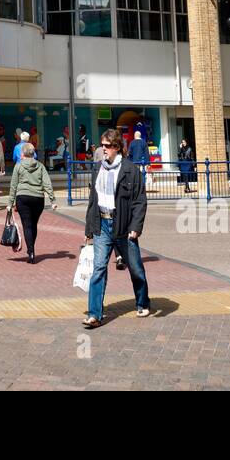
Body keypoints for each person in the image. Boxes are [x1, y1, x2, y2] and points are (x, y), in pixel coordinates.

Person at [83, 129, 151, 328]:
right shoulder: (97, 169)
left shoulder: (130, 170)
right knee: (98, 269)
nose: (102, 149)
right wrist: (89, 228)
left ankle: (142, 302)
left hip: (123, 226)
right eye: (102, 145)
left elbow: (140, 201)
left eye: (106, 146)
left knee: (136, 268)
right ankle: (95, 314)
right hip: (102, 225)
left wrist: (136, 227)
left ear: (117, 147)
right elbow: (92, 200)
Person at [6, 142, 57, 263]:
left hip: (22, 197)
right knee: (33, 225)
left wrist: (10, 203)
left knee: (27, 225)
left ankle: (31, 252)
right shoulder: (40, 166)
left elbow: (13, 186)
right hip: (38, 198)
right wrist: (52, 200)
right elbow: (47, 183)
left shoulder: (18, 166)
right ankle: (31, 249)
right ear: (33, 154)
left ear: (23, 153)